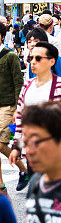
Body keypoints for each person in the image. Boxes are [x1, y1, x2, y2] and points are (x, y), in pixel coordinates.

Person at [9, 41, 61, 192]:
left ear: (52, 61)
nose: (33, 62)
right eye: (31, 58)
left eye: (38, 58)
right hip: (32, 152)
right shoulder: (27, 85)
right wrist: (16, 147)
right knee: (35, 197)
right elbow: (21, 119)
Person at [0, 23, 24, 196]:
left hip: (8, 107)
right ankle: (3, 186)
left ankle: (23, 170)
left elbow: (19, 82)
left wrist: (17, 108)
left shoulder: (10, 56)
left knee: (0, 144)